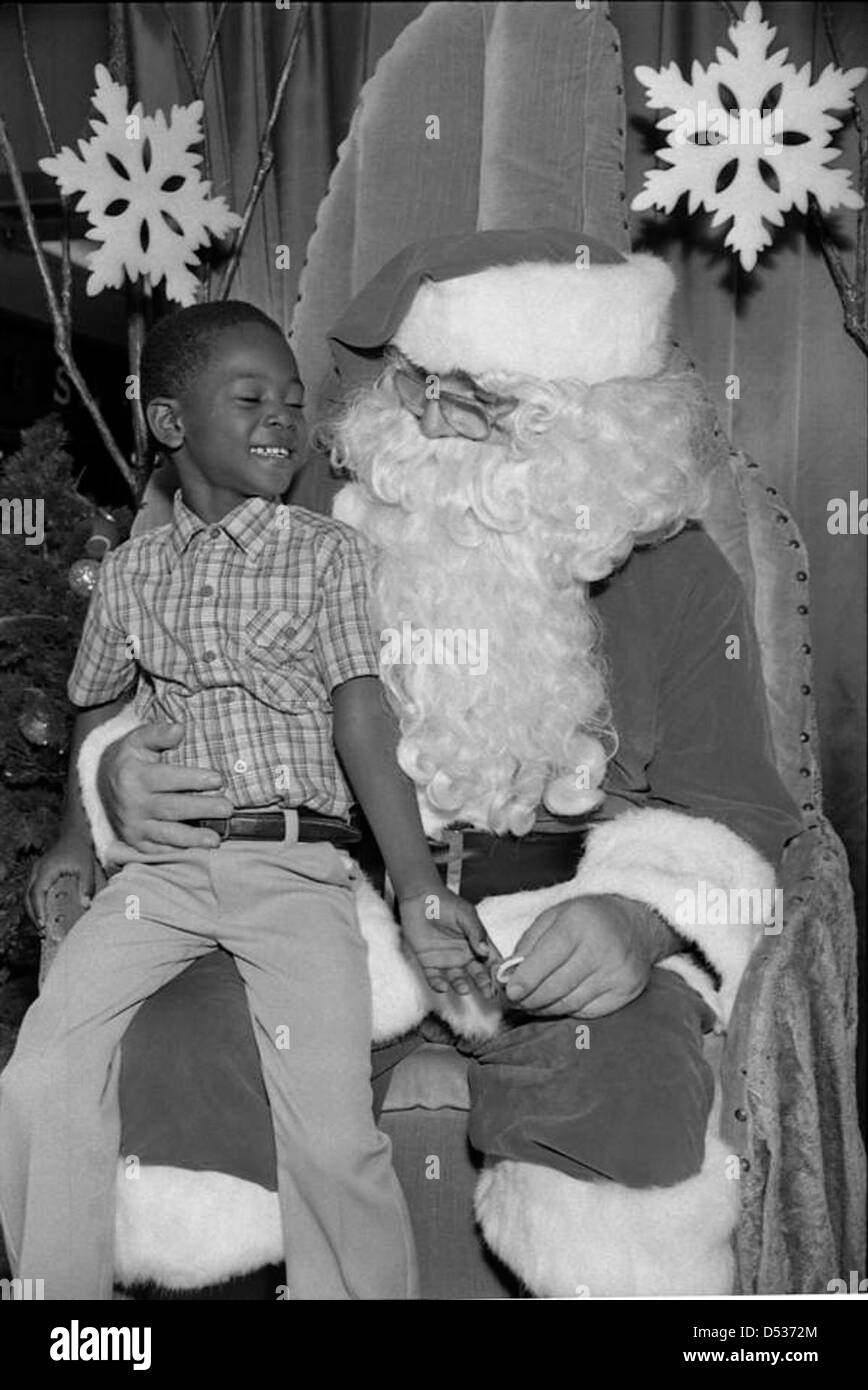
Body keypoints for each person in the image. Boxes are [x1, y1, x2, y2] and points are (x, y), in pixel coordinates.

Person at [47, 232, 805, 1296]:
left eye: (476, 403)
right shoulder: (291, 523)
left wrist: (635, 917)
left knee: (634, 1089)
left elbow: (732, 805)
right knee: (179, 1052)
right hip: (320, 903)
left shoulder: (680, 580)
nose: (429, 422)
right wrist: (123, 775)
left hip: (560, 926)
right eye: (419, 390)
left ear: (593, 426)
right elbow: (145, 689)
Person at [0, 299, 494, 1302]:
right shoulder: (132, 574)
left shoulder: (328, 556)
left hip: (293, 867)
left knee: (328, 1130)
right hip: (163, 875)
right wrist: (72, 838)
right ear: (173, 424)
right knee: (40, 1070)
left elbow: (363, 718)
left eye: (293, 401)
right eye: (251, 398)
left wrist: (415, 891)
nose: (282, 419)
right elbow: (93, 700)